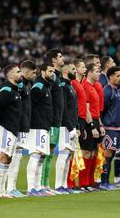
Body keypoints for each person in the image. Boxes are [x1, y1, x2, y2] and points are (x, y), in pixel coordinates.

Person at [6, 60, 37, 197]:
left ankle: (12, 186)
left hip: (23, 125)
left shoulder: (26, 85)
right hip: (15, 126)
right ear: (26, 72)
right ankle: (9, 187)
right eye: (34, 72)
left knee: (17, 157)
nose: (35, 75)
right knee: (11, 156)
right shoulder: (18, 85)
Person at [0, 65, 23, 198]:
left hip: (13, 129)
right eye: (18, 72)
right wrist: (0, 125)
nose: (20, 73)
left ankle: (2, 190)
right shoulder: (6, 89)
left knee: (8, 159)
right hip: (6, 128)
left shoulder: (15, 90)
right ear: (10, 75)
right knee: (3, 156)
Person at [27, 62, 54, 196]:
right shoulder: (38, 86)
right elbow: (30, 106)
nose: (52, 74)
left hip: (44, 127)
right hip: (37, 126)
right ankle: (31, 187)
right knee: (36, 154)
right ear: (42, 72)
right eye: (50, 71)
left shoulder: (46, 86)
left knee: (42, 156)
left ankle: (37, 187)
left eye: (53, 72)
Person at [78, 63, 106, 191]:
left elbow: (96, 110)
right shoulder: (85, 86)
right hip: (89, 122)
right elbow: (87, 108)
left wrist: (99, 124)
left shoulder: (94, 87)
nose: (99, 73)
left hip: (95, 121)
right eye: (97, 71)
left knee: (94, 152)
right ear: (89, 73)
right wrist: (92, 126)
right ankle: (83, 183)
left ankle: (90, 181)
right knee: (86, 152)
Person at [41, 49, 65, 194]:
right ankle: (42, 185)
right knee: (46, 152)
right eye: (60, 57)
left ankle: (45, 185)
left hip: (57, 120)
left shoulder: (57, 76)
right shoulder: (52, 77)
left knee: (49, 153)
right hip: (51, 121)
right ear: (53, 60)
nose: (63, 59)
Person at [55, 61, 79, 193]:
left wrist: (77, 126)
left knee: (68, 156)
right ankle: (59, 185)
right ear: (66, 71)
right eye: (73, 69)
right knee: (63, 154)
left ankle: (64, 185)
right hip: (65, 126)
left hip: (71, 125)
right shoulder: (63, 86)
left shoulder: (70, 86)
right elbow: (63, 109)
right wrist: (70, 127)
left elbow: (73, 108)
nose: (76, 71)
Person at [100, 66, 120, 190]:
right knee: (107, 154)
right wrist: (102, 125)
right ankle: (104, 182)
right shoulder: (107, 90)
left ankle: (106, 181)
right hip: (109, 127)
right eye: (117, 76)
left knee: (112, 154)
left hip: (116, 128)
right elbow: (102, 110)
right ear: (110, 76)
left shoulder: (117, 91)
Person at [68, 59, 87, 190]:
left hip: (81, 119)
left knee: (77, 151)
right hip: (76, 118)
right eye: (82, 67)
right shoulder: (73, 83)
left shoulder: (80, 83)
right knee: (72, 152)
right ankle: (70, 183)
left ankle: (77, 183)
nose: (84, 69)